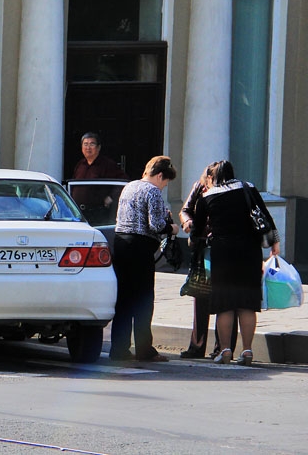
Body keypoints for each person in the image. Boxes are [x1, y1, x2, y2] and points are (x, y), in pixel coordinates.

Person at [193, 160, 280, 366]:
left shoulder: (207, 197)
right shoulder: (248, 188)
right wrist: (274, 242)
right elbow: (265, 217)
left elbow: (197, 231)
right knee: (247, 303)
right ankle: (247, 351)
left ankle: (224, 351)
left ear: (214, 177)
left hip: (222, 253)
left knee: (225, 304)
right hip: (249, 251)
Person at [109, 156, 179, 362]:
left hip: (121, 243)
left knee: (123, 300)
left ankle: (118, 349)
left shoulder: (129, 187)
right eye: (165, 182)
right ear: (159, 176)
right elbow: (156, 225)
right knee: (143, 300)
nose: (164, 187)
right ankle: (144, 349)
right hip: (140, 248)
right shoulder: (153, 191)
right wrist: (172, 227)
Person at [178, 162, 237, 359]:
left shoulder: (230, 192)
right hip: (202, 247)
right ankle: (197, 346)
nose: (211, 181)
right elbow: (185, 210)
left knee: (225, 298)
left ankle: (223, 347)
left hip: (222, 248)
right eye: (209, 177)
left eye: (214, 178)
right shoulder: (199, 187)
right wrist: (188, 222)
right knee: (201, 296)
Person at [71, 132, 128, 225]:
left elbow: (123, 182)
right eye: (85, 144)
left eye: (92, 144)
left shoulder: (107, 164)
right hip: (79, 213)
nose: (88, 148)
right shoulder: (80, 165)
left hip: (98, 213)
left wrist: (111, 197)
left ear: (98, 147)